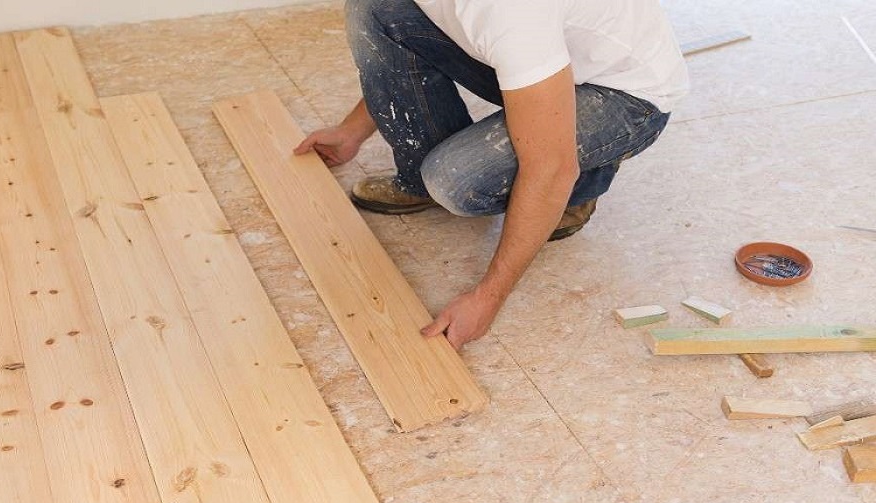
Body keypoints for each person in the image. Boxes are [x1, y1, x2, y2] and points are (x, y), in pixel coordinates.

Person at [294, 0, 689, 350]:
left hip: (624, 93)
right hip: (552, 56)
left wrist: (488, 297)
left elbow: (550, 168)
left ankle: (582, 186)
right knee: (376, 8)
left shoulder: (510, 11)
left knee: (455, 181)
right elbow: (404, 36)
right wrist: (352, 130)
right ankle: (418, 179)